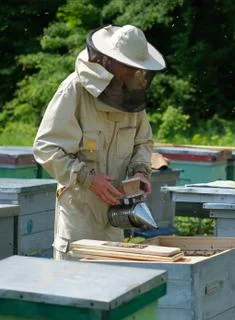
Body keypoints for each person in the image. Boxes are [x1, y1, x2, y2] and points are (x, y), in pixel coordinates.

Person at [33, 25, 166, 260]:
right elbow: (46, 147)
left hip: (116, 216)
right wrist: (88, 177)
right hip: (80, 215)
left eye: (138, 68)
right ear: (109, 61)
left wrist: (140, 171)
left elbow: (143, 142)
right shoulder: (74, 90)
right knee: (74, 288)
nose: (135, 73)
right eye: (129, 66)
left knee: (109, 286)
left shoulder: (131, 96)